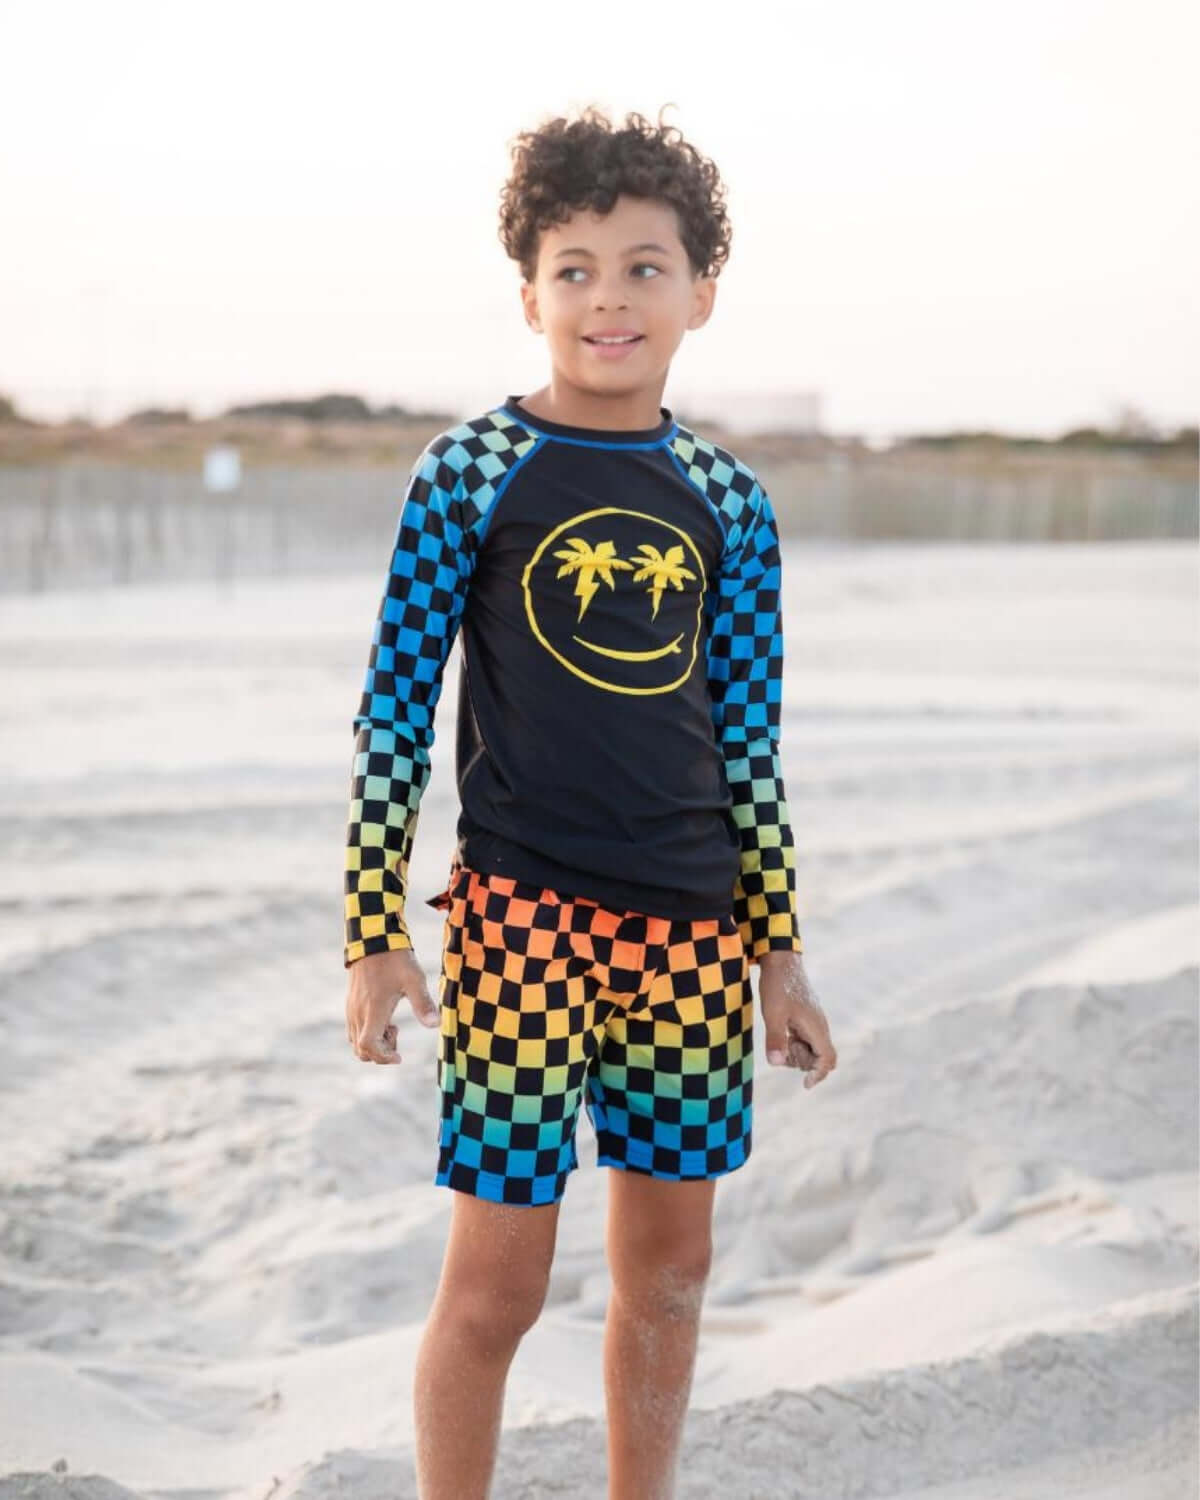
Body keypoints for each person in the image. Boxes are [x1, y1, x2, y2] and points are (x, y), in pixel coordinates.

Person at [342, 103, 837, 1500]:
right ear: (528, 293)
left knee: (671, 1279)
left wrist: (778, 954)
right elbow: (394, 713)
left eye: (642, 266)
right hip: (520, 930)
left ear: (701, 294)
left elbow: (750, 743)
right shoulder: (472, 474)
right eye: (575, 268)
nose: (608, 298)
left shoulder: (728, 503)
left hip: (688, 940)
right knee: (496, 1289)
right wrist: (375, 928)